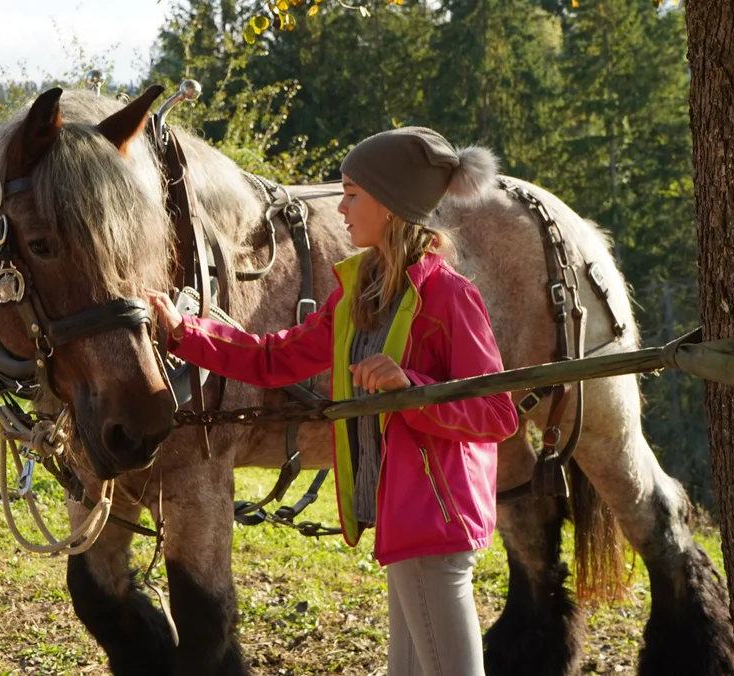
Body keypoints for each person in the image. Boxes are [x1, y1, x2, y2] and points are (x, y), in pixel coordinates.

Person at [146, 126, 519, 675]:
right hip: (404, 521)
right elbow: (275, 359)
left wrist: (408, 388)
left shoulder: (448, 296)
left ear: (390, 206)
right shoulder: (359, 294)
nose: (340, 208)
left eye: (352, 194)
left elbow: (496, 412)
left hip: (436, 521)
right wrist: (183, 334)